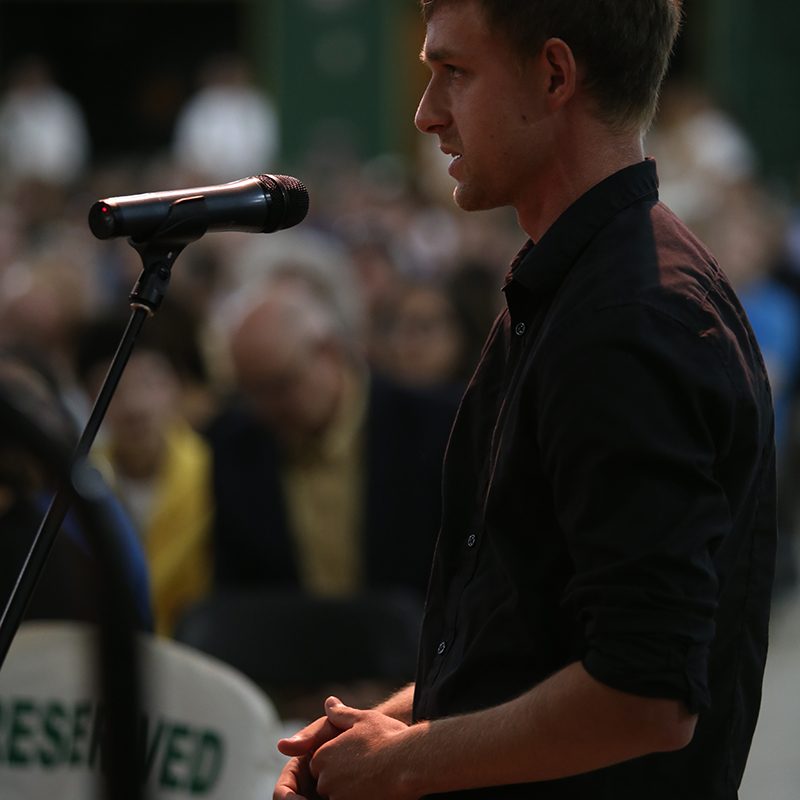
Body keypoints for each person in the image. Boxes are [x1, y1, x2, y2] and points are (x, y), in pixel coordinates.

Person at [273, 1, 777, 799]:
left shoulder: (628, 320)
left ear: (553, 75)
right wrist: (392, 728)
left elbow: (647, 694)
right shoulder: (586, 283)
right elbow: (525, 637)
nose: (426, 112)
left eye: (454, 72)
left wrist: (402, 763)